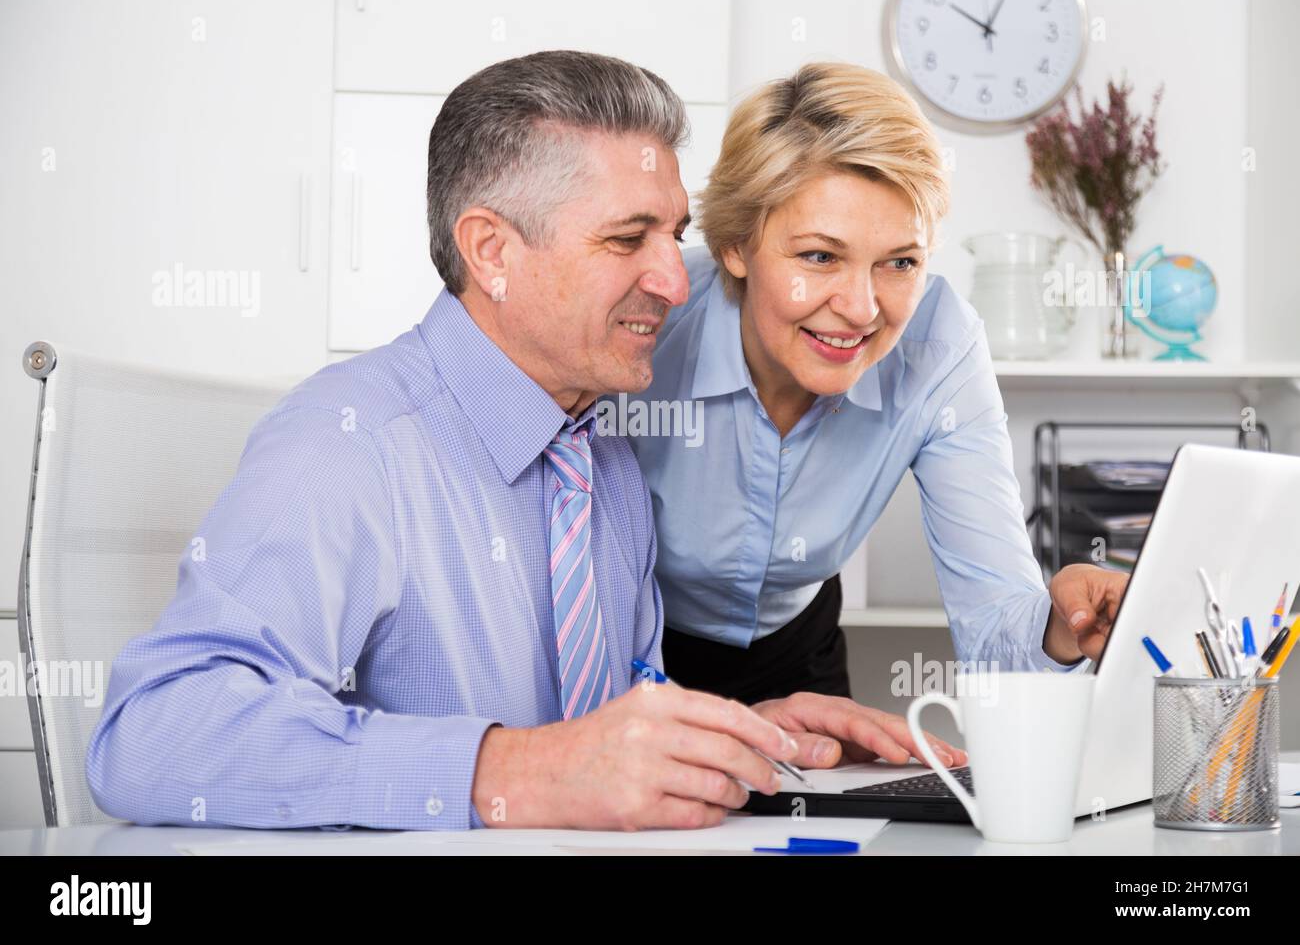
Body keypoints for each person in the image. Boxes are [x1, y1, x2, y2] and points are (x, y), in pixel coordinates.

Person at [86, 51, 962, 834]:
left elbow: (598, 744)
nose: (671, 280)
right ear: (491, 250)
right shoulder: (350, 446)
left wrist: (743, 739)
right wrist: (508, 771)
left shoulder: (606, 455)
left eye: (674, 238)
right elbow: (148, 735)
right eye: (628, 239)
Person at [624, 63, 1129, 707]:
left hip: (796, 652)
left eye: (900, 262)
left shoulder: (939, 345)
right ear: (736, 246)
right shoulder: (649, 320)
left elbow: (995, 618)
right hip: (636, 647)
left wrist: (1059, 628)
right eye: (820, 256)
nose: (862, 308)